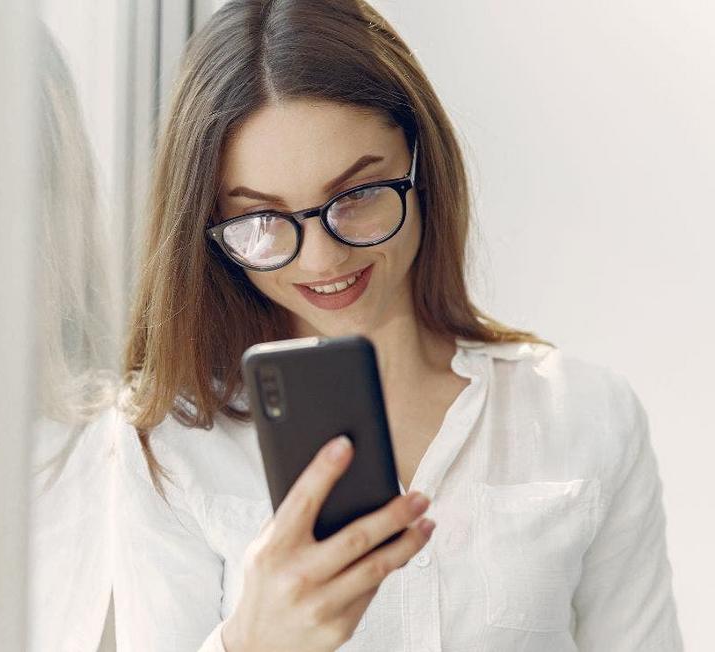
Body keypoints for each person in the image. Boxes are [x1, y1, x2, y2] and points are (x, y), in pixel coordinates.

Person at [110, 1, 682, 650]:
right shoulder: (172, 446)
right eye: (262, 220)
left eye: (355, 196)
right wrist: (252, 641)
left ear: (418, 165)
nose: (323, 259)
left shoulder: (584, 414)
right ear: (209, 226)